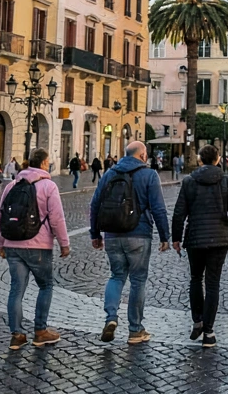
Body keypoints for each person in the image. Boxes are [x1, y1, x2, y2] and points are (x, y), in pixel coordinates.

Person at [89, 141, 171, 345]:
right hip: (139, 233)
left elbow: (95, 204)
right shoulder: (149, 175)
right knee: (137, 281)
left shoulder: (109, 174)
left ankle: (111, 317)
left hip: (112, 233)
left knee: (116, 276)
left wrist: (95, 234)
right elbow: (158, 208)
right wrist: (164, 236)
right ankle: (135, 330)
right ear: (142, 155)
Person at [171, 144, 228, 348]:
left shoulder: (189, 182)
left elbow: (179, 213)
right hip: (219, 239)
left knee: (195, 278)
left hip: (195, 237)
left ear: (200, 160)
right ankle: (209, 333)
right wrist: (225, 223)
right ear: (218, 159)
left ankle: (197, 321)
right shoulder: (227, 181)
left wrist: (176, 238)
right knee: (213, 284)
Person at [0, 149, 71, 349]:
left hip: (12, 244)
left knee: (16, 289)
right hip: (39, 245)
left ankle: (17, 334)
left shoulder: (12, 185)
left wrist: (1, 243)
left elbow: (0, 216)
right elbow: (57, 218)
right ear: (44, 163)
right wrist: (64, 243)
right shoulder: (48, 186)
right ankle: (40, 331)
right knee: (45, 286)